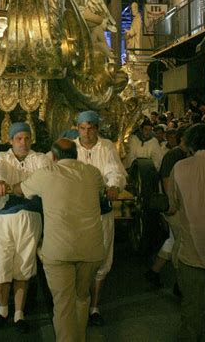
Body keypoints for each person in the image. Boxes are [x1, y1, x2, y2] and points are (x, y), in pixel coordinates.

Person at [14, 138, 104, 342]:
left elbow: (20, 189)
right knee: (82, 298)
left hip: (59, 250)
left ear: (53, 157)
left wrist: (9, 185)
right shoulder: (92, 172)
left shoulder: (46, 174)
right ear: (76, 154)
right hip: (91, 249)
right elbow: (100, 190)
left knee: (63, 303)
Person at [0, 122, 49, 332]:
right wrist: (1, 183)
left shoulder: (39, 158)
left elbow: (44, 179)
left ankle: (19, 313)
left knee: (24, 265)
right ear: (10, 140)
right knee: (1, 264)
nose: (23, 142)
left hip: (30, 219)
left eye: (27, 138)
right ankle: (3, 309)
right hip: (3, 219)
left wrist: (21, 188)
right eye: (19, 139)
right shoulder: (1, 158)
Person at [167, 124, 205, 341]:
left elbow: (172, 205)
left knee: (192, 308)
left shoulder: (180, 168)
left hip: (192, 250)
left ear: (189, 144)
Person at [74, 110, 127, 327]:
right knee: (78, 257)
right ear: (77, 128)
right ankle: (79, 305)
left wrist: (113, 185)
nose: (86, 133)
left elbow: (116, 170)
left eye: (91, 128)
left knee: (102, 258)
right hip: (77, 214)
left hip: (101, 211)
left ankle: (94, 307)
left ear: (97, 128)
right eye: (82, 128)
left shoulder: (106, 147)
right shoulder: (70, 147)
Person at [146, 126, 188, 291]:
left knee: (173, 239)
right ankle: (180, 283)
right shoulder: (173, 155)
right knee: (181, 242)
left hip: (181, 205)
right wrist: (172, 203)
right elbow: (165, 179)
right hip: (174, 206)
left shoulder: (186, 155)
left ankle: (154, 271)